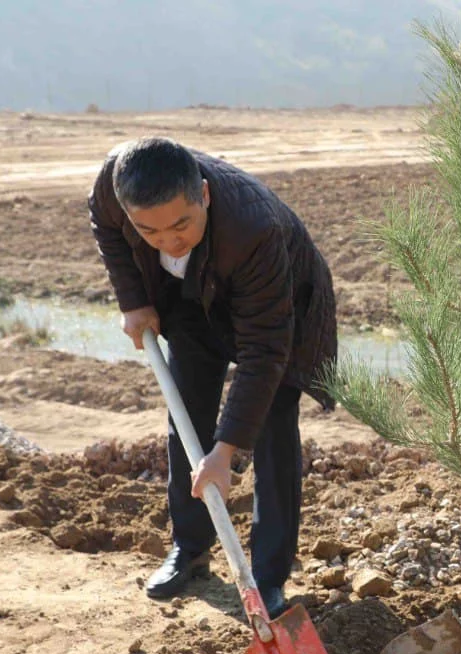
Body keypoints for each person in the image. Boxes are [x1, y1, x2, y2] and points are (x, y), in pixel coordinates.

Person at [89, 137, 337, 619]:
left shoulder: (253, 229)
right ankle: (191, 548)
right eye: (151, 231)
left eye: (181, 224)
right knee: (186, 414)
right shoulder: (111, 183)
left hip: (280, 309)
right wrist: (133, 300)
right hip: (191, 298)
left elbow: (265, 350)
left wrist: (225, 454)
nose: (169, 241)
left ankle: (267, 579)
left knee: (271, 429)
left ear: (203, 194)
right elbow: (108, 229)